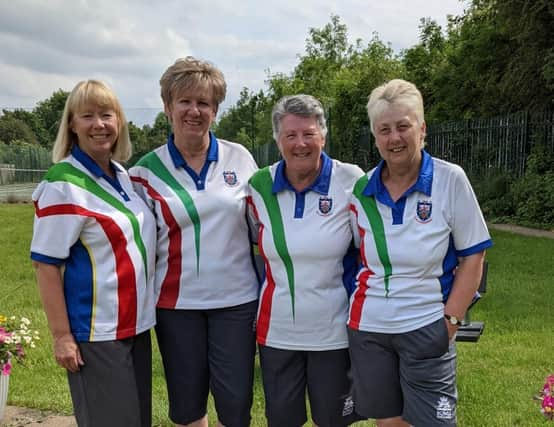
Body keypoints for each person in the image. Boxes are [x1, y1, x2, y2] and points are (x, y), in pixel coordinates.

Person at [348, 79, 493, 427]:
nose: (394, 138)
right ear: (375, 136)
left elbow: (473, 255)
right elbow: (353, 256)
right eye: (384, 129)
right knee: (390, 422)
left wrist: (451, 322)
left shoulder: (449, 179)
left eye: (403, 126)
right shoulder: (360, 191)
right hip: (371, 330)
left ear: (422, 128)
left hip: (427, 325)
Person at [129, 57, 259, 427]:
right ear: (168, 107)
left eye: (204, 102)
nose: (194, 111)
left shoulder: (241, 158)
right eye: (184, 101)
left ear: (215, 110)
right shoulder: (145, 172)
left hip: (236, 302)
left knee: (235, 406)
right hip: (176, 306)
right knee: (187, 407)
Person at [30, 80, 157, 427]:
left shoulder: (121, 176)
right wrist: (61, 337)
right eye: (87, 116)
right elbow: (45, 265)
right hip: (96, 331)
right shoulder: (63, 183)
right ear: (71, 124)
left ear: (119, 122)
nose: (99, 125)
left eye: (107, 114)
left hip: (135, 326)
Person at [247, 94, 364, 427]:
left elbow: (368, 249)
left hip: (335, 333)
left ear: (323, 136)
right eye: (291, 135)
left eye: (309, 134)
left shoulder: (351, 181)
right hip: (277, 333)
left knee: (333, 421)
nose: (300, 144)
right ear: (278, 140)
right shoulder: (258, 186)